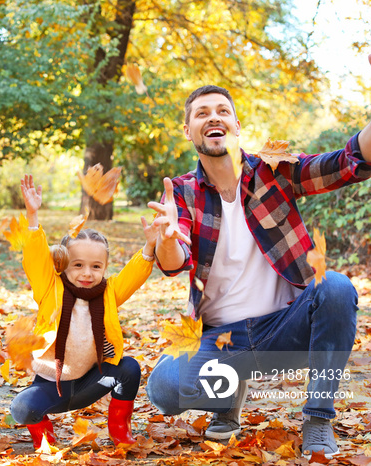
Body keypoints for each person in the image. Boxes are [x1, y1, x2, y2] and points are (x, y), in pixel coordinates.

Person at [145, 65, 371, 459]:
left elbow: (349, 161)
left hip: (286, 328)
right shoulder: (180, 192)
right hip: (221, 339)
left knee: (334, 286)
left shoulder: (274, 171)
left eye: (221, 110)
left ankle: (318, 420)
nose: (213, 116)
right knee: (162, 388)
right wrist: (165, 238)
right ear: (188, 131)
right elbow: (174, 259)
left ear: (235, 124)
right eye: (201, 113)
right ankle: (225, 400)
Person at [9, 174, 188, 449]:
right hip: (51, 386)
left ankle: (120, 429)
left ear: (104, 268)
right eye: (78, 265)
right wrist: (32, 217)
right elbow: (35, 259)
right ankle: (45, 438)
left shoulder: (107, 293)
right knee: (22, 407)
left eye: (95, 266)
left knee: (129, 368)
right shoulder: (50, 288)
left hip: (91, 381)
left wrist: (150, 246)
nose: (86, 273)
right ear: (64, 264)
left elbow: (133, 275)